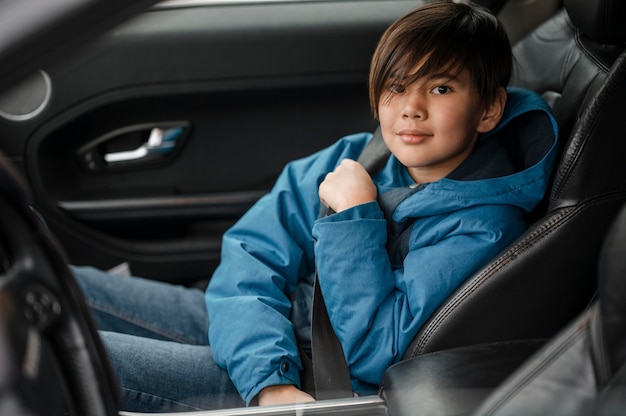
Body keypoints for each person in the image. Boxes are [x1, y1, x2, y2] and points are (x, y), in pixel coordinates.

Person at [73, 1, 559, 412]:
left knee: (65, 353)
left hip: (318, 376)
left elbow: (373, 352)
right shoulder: (360, 155)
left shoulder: (482, 227)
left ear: (490, 109)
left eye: (441, 88)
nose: (411, 107)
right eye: (396, 86)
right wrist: (263, 364)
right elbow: (252, 249)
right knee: (61, 285)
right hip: (267, 332)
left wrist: (353, 219)